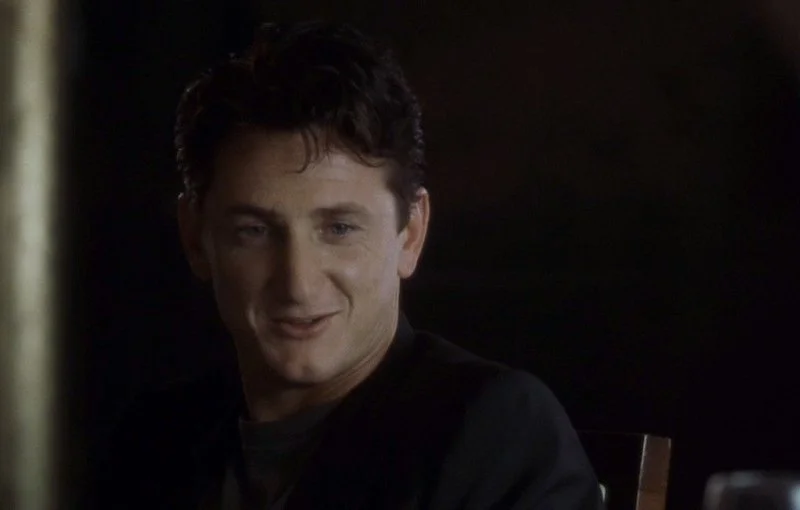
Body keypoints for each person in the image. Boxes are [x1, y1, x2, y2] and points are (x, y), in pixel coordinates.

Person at [91, 20, 604, 510]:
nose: (297, 283)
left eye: (339, 229)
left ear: (411, 233)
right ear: (194, 238)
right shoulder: (154, 440)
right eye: (254, 231)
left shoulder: (491, 431)